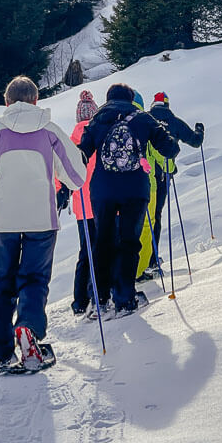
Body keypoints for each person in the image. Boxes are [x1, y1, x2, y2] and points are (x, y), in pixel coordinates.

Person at [0, 75, 86, 370]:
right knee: (33, 279)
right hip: (41, 219)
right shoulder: (50, 131)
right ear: (36, 100)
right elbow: (76, 177)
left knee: (1, 281)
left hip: (4, 220)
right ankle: (29, 331)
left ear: (7, 102)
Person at [78, 82, 177, 319]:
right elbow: (169, 149)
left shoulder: (98, 119)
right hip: (135, 188)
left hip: (103, 190)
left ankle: (100, 300)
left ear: (109, 98)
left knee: (103, 242)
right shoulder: (142, 118)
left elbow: (82, 154)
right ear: (131, 98)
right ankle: (125, 298)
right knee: (129, 241)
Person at [139, 91, 204, 279]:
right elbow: (195, 141)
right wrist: (200, 129)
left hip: (143, 175)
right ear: (167, 105)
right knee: (156, 216)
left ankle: (140, 262)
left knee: (142, 219)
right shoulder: (174, 122)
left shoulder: (146, 119)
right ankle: (152, 259)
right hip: (163, 175)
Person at [56, 89, 100, 315]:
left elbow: (60, 174)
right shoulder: (101, 135)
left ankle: (79, 300)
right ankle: (99, 294)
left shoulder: (70, 142)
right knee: (103, 249)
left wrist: (60, 194)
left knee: (86, 252)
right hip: (102, 202)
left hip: (82, 205)